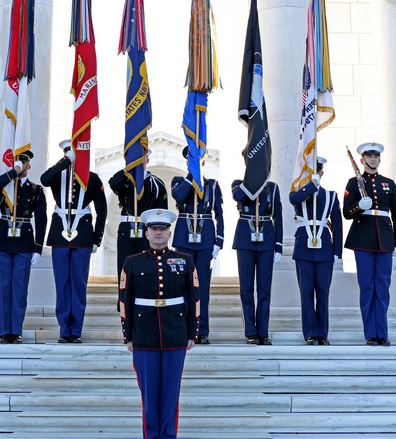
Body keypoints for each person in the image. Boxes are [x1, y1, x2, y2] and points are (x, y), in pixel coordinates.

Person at [119, 208, 198, 439]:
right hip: (144, 334)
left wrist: (192, 332)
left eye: (162, 229)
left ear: (169, 233)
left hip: (175, 333)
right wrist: (127, 334)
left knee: (171, 393)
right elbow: (124, 300)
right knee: (149, 394)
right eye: (154, 229)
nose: (158, 233)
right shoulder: (132, 262)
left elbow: (194, 298)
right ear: (146, 232)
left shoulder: (184, 260)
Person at [40, 139, 107, 343]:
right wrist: (65, 162)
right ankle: (64, 328)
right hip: (60, 234)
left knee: (78, 284)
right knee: (62, 284)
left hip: (83, 235)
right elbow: (44, 179)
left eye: (75, 153)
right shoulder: (57, 175)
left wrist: (97, 237)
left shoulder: (92, 178)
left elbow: (102, 210)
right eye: (69, 153)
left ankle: (76, 329)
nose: (73, 157)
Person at [343, 142, 396, 346]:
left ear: (379, 159)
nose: (372, 160)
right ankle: (371, 333)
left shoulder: (389, 183)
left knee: (383, 288)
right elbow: (346, 212)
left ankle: (382, 333)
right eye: (368, 156)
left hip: (385, 241)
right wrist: (359, 207)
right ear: (362, 160)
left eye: (375, 156)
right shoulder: (353, 183)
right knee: (367, 287)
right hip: (363, 240)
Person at [0, 149, 48, 344]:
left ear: (29, 165)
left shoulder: (36, 190)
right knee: (4, 287)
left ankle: (16, 331)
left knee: (20, 288)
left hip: (24, 239)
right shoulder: (6, 185)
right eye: (17, 162)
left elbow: (41, 220)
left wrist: (38, 248)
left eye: (23, 163)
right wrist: (13, 172)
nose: (21, 165)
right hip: (4, 238)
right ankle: (4, 331)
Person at [171, 146, 224, 344]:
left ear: (203, 162)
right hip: (185, 238)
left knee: (202, 287)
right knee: (183, 285)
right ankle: (185, 329)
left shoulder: (212, 185)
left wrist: (220, 240)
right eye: (191, 160)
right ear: (187, 162)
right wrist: (192, 176)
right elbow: (179, 196)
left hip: (205, 239)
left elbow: (219, 214)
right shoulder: (179, 181)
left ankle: (202, 330)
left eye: (198, 161)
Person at [289, 156, 343, 346]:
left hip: (324, 247)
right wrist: (310, 185)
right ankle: (311, 333)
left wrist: (338, 252)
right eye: (310, 171)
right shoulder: (299, 191)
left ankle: (323, 333)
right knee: (306, 293)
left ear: (322, 172)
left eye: (317, 171)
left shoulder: (331, 195)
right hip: (304, 247)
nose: (315, 173)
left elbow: (337, 224)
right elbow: (294, 199)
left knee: (323, 293)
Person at [108, 142, 169, 290]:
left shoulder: (157, 184)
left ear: (147, 159)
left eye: (142, 156)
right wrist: (129, 167)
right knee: (124, 269)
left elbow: (161, 214)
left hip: (146, 230)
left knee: (146, 268)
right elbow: (113, 183)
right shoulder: (125, 180)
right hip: (126, 227)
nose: (139, 160)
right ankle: (124, 305)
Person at [231, 178, 284, 345]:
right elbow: (239, 197)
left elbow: (278, 216)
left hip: (266, 238)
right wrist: (253, 179)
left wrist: (279, 245)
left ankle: (263, 332)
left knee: (264, 289)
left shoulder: (272, 188)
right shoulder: (239, 184)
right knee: (246, 288)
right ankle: (250, 332)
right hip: (245, 238)